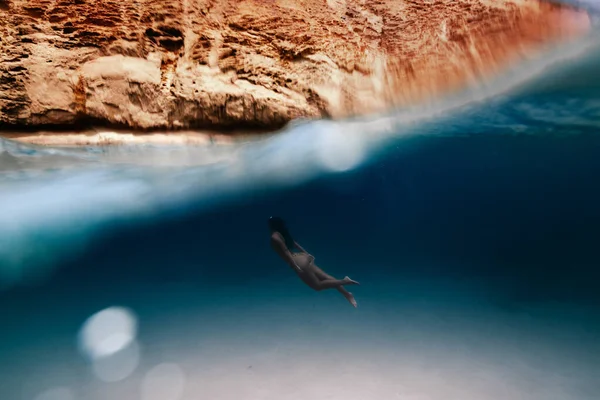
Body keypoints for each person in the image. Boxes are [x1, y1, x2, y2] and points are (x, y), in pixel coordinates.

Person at [268, 216, 359, 307]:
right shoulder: (283, 232)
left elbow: (286, 252)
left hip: (298, 262)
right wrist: (307, 254)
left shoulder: (274, 237)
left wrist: (294, 265)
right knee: (327, 277)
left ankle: (344, 281)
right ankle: (347, 294)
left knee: (317, 286)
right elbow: (294, 244)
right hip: (302, 257)